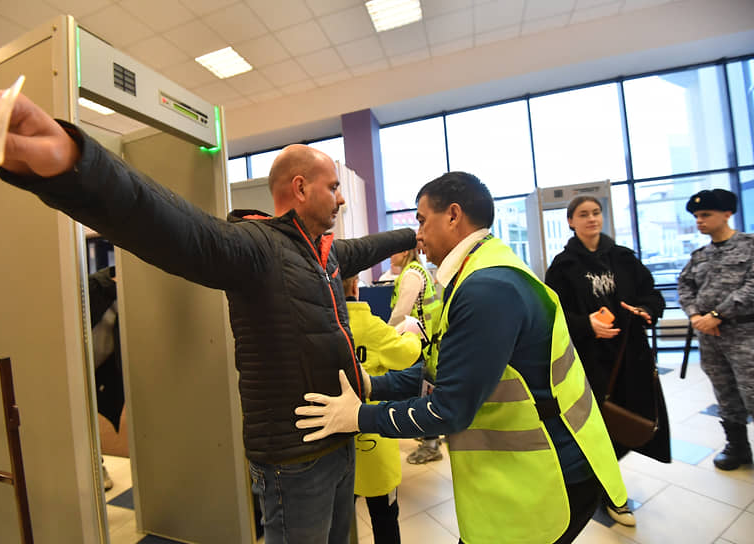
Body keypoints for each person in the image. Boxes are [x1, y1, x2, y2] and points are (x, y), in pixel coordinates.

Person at [0, 78, 417, 544]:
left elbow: (366, 246)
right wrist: (73, 160)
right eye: (334, 187)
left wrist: (412, 238)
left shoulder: (324, 254)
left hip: (341, 435)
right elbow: (170, 226)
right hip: (294, 459)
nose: (340, 197)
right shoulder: (255, 247)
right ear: (300, 187)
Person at [296, 172, 628, 544]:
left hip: (552, 470)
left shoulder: (486, 288)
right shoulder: (474, 274)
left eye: (422, 220)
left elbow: (447, 408)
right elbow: (442, 370)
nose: (417, 235)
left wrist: (358, 417)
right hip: (523, 469)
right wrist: (373, 384)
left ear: (453, 215)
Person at [544, 195, 671, 526]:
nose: (591, 219)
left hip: (629, 357)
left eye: (596, 213)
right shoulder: (563, 265)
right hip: (589, 360)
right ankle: (610, 491)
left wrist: (644, 311)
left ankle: (603, 479)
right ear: (571, 221)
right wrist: (587, 324)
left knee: (630, 420)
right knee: (596, 427)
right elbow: (553, 316)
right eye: (583, 214)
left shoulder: (623, 258)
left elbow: (652, 297)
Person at [678, 188, 754, 471]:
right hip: (709, 338)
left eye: (705, 215)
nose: (699, 220)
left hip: (745, 334)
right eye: (697, 216)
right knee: (725, 393)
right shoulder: (700, 256)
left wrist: (717, 314)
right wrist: (696, 315)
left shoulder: (750, 245)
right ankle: (737, 447)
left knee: (752, 392)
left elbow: (752, 287)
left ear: (727, 214)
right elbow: (684, 286)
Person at [342, 273, 422, 544]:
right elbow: (406, 354)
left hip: (339, 445)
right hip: (374, 439)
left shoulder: (326, 327)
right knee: (385, 517)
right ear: (356, 286)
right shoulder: (371, 326)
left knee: (339, 520)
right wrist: (411, 335)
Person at [387, 248, 443, 464]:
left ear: (405, 252)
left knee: (424, 392)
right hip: (426, 339)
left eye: (394, 252)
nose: (390, 255)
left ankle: (431, 443)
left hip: (418, 342)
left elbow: (401, 313)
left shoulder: (411, 275)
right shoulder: (417, 271)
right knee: (425, 389)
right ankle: (430, 436)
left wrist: (386, 336)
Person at [88, 265, 123, 491]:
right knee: (81, 419)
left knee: (90, 416)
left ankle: (95, 465)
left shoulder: (131, 293)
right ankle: (93, 467)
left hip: (102, 364)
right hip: (79, 363)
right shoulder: (96, 287)